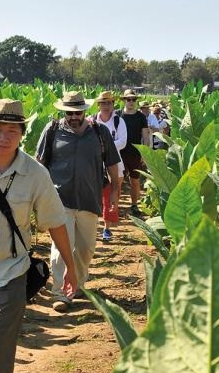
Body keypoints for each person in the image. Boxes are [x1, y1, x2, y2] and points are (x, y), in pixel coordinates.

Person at [0, 98, 79, 373]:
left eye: (12, 131)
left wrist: (70, 267)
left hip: (11, 270)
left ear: (22, 134)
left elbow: (56, 223)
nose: (4, 137)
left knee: (1, 348)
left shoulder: (35, 173)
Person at [35, 91, 121, 312]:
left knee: (85, 248)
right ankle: (60, 292)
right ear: (64, 112)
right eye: (69, 113)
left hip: (89, 199)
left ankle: (78, 283)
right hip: (58, 200)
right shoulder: (53, 130)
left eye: (78, 112)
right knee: (61, 247)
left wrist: (115, 192)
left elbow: (112, 162)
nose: (74, 117)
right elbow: (39, 164)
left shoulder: (99, 132)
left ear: (85, 111)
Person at [91, 91, 127, 241]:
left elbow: (123, 142)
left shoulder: (119, 121)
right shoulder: (90, 121)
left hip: (115, 164)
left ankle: (107, 228)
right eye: (103, 103)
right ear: (98, 105)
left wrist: (104, 146)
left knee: (112, 195)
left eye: (109, 103)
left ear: (113, 104)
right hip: (95, 165)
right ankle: (92, 227)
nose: (106, 106)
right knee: (93, 195)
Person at [117, 89, 150, 217]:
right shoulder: (118, 115)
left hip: (135, 153)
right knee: (118, 181)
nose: (131, 102)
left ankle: (134, 205)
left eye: (133, 99)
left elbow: (146, 136)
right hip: (120, 153)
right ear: (124, 100)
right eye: (128, 99)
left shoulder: (140, 116)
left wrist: (145, 153)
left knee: (134, 180)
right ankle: (116, 205)